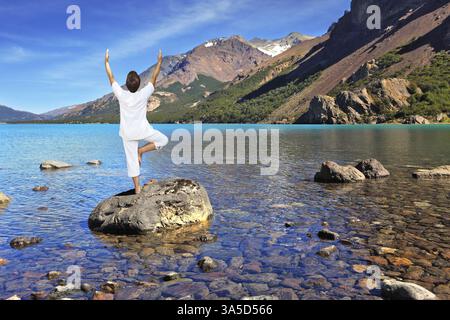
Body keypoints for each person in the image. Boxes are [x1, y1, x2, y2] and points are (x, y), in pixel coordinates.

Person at [105, 49, 169, 194]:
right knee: (163, 140)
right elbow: (154, 77)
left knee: (132, 162)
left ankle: (137, 189)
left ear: (126, 84)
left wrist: (106, 62)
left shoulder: (121, 94)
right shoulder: (143, 94)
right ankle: (142, 150)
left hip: (128, 133)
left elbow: (111, 78)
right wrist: (159, 61)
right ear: (139, 84)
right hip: (142, 130)